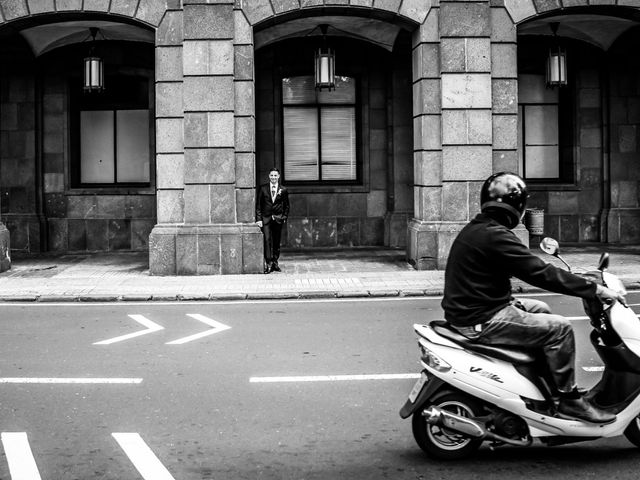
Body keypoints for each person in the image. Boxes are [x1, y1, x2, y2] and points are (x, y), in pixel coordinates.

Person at [441, 171, 626, 424]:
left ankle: (547, 384)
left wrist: (582, 282)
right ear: (517, 206)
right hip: (480, 317)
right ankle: (569, 400)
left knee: (539, 308)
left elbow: (531, 268)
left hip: (475, 309)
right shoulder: (495, 236)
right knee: (560, 329)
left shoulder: (480, 229)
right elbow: (540, 272)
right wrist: (595, 290)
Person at [255, 168, 290, 274]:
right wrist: (258, 219)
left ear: (279, 176)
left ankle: (275, 262)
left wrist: (283, 217)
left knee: (276, 241)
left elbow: (287, 206)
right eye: (272, 175)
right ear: (269, 176)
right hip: (266, 219)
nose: (273, 177)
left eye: (275, 175)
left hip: (278, 219)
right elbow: (258, 205)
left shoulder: (283, 189)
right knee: (267, 240)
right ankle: (269, 263)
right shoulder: (263, 188)